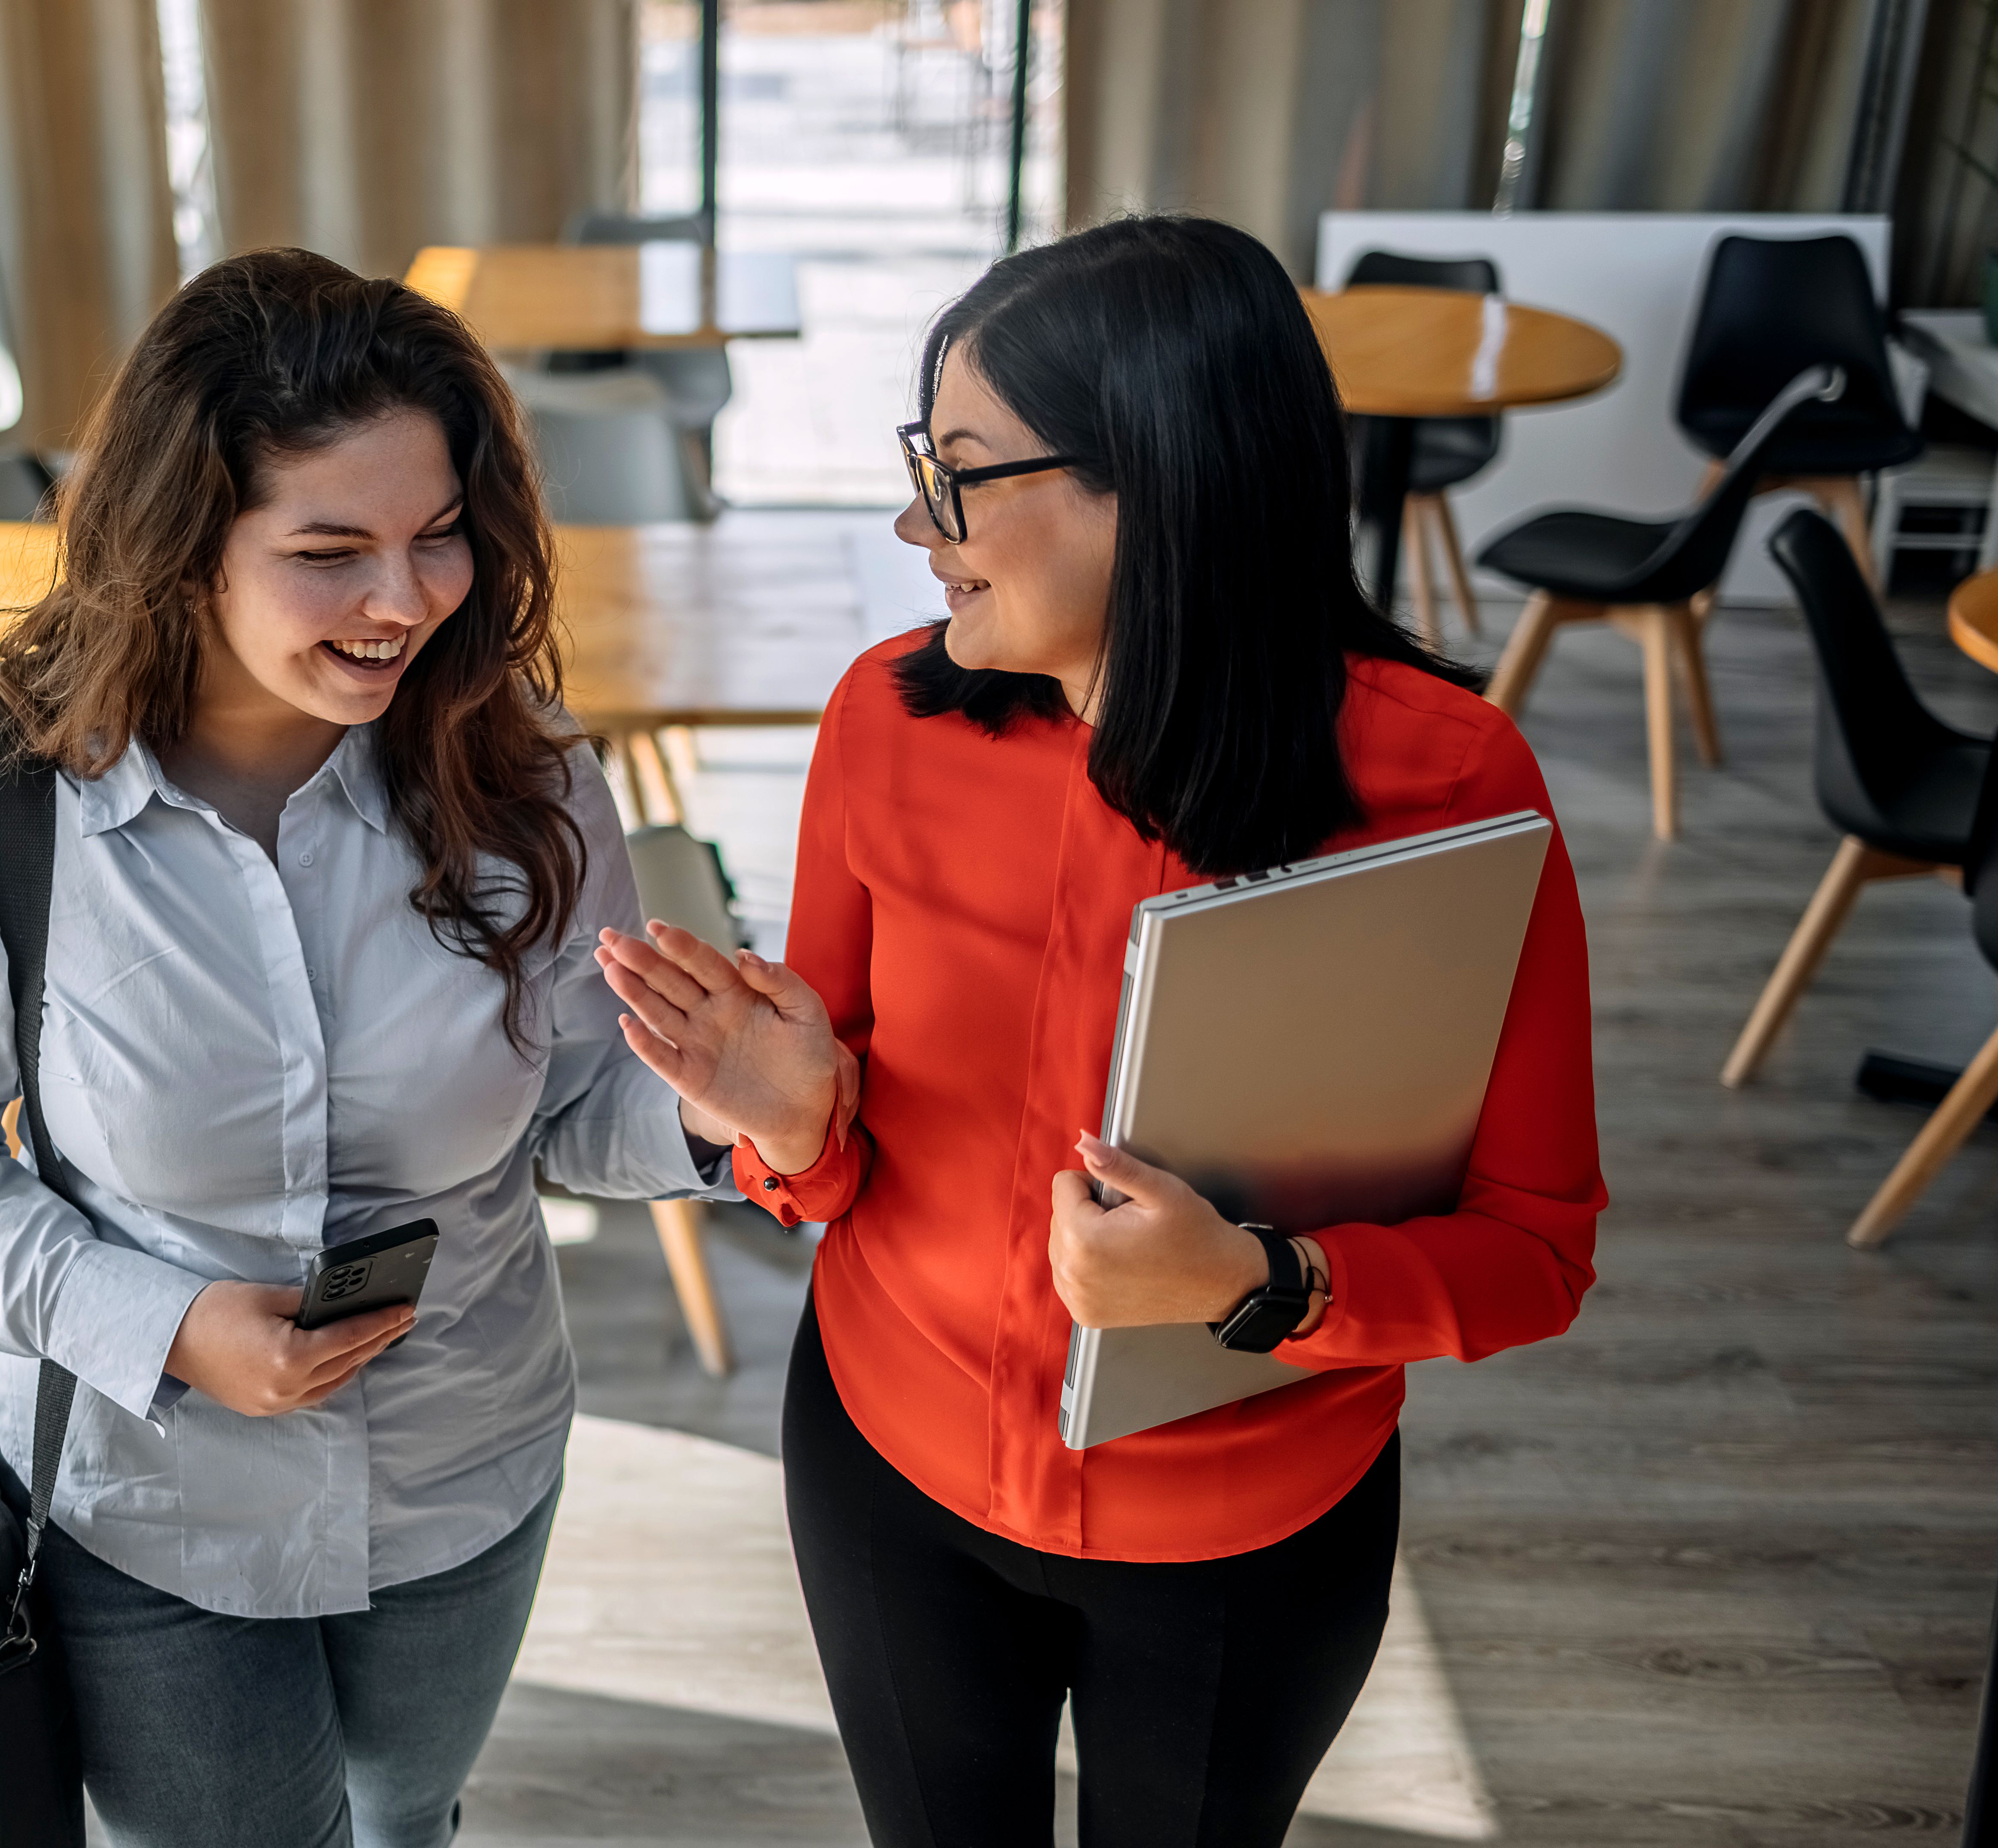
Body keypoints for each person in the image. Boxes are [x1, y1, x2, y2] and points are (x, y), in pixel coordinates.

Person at [595, 215, 1604, 1847]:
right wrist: (783, 1127)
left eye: (967, 471)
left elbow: (1535, 1253)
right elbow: (825, 1156)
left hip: (1246, 1544)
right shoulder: (882, 722)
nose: (921, 525)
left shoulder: (1450, 785)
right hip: (886, 1475)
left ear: (1164, 478)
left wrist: (1250, 1287)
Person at [0, 247, 740, 1848]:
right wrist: (163, 1322)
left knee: (407, 1812)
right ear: (184, 551)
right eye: (332, 552)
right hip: (146, 1503)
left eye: (439, 535)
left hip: (469, 1468)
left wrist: (739, 1123)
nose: (406, 600)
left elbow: (583, 1103)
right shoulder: (5, 782)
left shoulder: (523, 771)